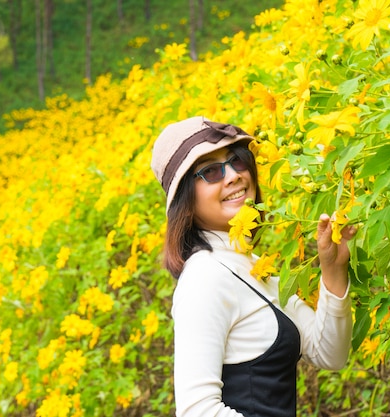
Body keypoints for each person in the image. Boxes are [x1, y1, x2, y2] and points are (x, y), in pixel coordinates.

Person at [150, 116, 356, 417]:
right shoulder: (205, 278)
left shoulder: (251, 265)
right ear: (186, 201)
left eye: (237, 160)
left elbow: (330, 354)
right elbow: (197, 410)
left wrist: (333, 269)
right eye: (210, 171)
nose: (233, 175)